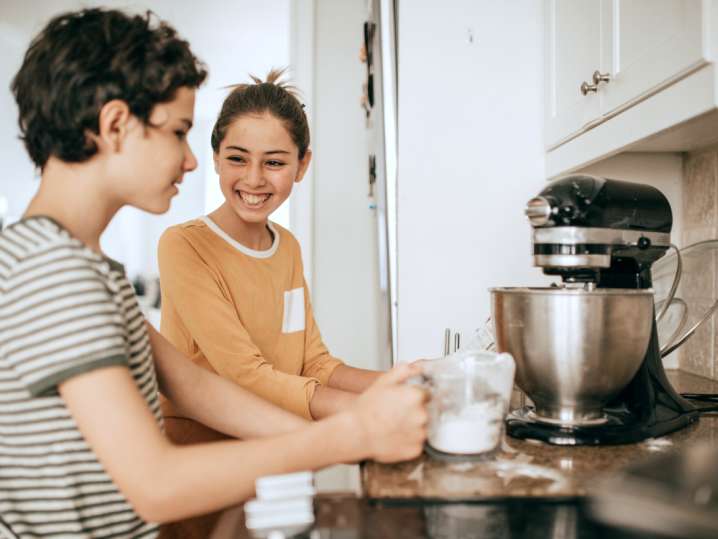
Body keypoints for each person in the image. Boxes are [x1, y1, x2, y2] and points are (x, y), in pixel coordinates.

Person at [0, 9, 427, 539]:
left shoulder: (79, 266)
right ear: (115, 125)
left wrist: (362, 423)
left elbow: (196, 386)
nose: (190, 160)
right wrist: (352, 436)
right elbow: (154, 483)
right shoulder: (56, 276)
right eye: (179, 132)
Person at [158, 71, 384, 431]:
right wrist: (367, 413)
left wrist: (401, 382)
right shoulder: (184, 246)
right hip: (201, 450)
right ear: (216, 158)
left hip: (276, 438)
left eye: (274, 162)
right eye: (237, 159)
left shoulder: (287, 248)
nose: (253, 178)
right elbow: (245, 375)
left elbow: (314, 363)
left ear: (302, 165)